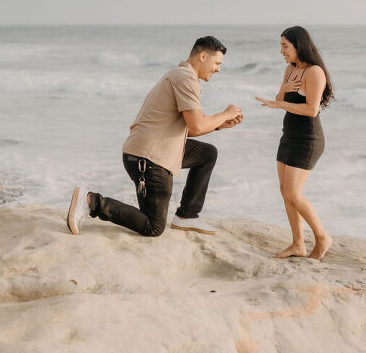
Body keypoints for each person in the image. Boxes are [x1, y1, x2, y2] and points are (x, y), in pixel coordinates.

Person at [67, 36, 243, 237]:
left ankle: (187, 216)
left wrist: (220, 125)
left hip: (153, 150)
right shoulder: (186, 78)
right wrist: (225, 114)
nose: (218, 69)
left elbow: (191, 129)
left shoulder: (180, 75)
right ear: (203, 56)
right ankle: (90, 200)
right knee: (153, 226)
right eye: (217, 63)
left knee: (207, 153)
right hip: (148, 159)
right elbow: (197, 124)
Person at [255, 26, 334, 260]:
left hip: (308, 139)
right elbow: (280, 99)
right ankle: (298, 244)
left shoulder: (315, 72)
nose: (281, 51)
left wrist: (280, 104)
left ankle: (322, 237)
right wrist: (283, 91)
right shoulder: (290, 70)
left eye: (285, 46)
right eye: (281, 46)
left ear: (299, 46)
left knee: (293, 193)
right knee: (284, 191)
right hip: (288, 135)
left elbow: (311, 110)